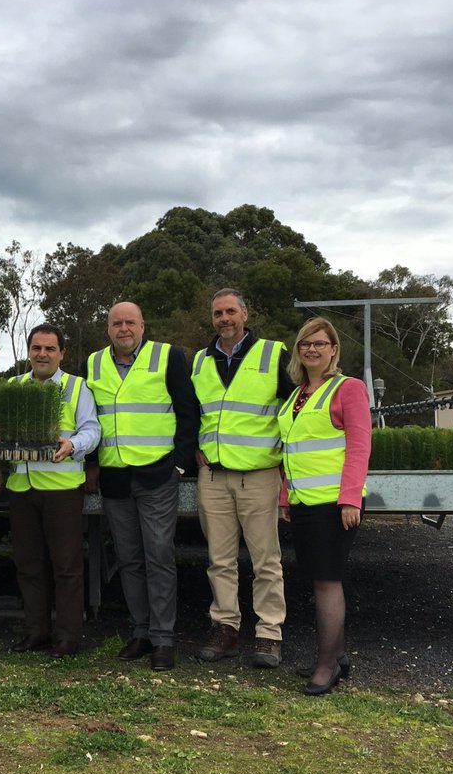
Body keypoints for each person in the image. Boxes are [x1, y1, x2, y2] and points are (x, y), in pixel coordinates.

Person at [85, 302, 199, 671]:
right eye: (116, 323)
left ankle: (163, 638)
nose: (123, 329)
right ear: (107, 328)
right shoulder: (94, 363)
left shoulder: (167, 357)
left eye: (130, 322)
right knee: (129, 559)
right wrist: (92, 464)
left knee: (159, 556)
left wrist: (179, 464)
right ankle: (141, 632)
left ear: (142, 325)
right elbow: (89, 418)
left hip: (156, 474)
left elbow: (187, 411)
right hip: (115, 477)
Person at [192, 289, 294, 668]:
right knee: (219, 560)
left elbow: (293, 410)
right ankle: (225, 629)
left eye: (231, 311)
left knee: (266, 560)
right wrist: (193, 448)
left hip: (259, 475)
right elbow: (193, 411)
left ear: (245, 314)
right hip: (214, 476)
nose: (224, 318)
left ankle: (269, 634)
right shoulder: (201, 361)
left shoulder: (273, 353)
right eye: (218, 313)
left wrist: (288, 467)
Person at [0, 324, 100, 658]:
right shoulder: (13, 387)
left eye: (50, 349)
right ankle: (35, 632)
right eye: (37, 348)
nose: (42, 354)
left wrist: (74, 445)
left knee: (66, 567)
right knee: (28, 564)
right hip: (21, 488)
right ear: (28, 351)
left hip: (62, 489)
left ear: (62, 353)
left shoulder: (76, 387)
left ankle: (67, 638)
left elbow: (92, 429)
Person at [277, 317, 371, 696]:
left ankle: (326, 664)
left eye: (320, 343)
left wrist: (350, 498)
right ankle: (338, 656)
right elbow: (291, 450)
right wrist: (285, 496)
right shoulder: (297, 395)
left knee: (327, 582)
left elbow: (359, 446)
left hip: (335, 504)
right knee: (317, 580)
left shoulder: (348, 389)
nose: (311, 349)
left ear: (333, 349)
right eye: (304, 344)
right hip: (303, 503)